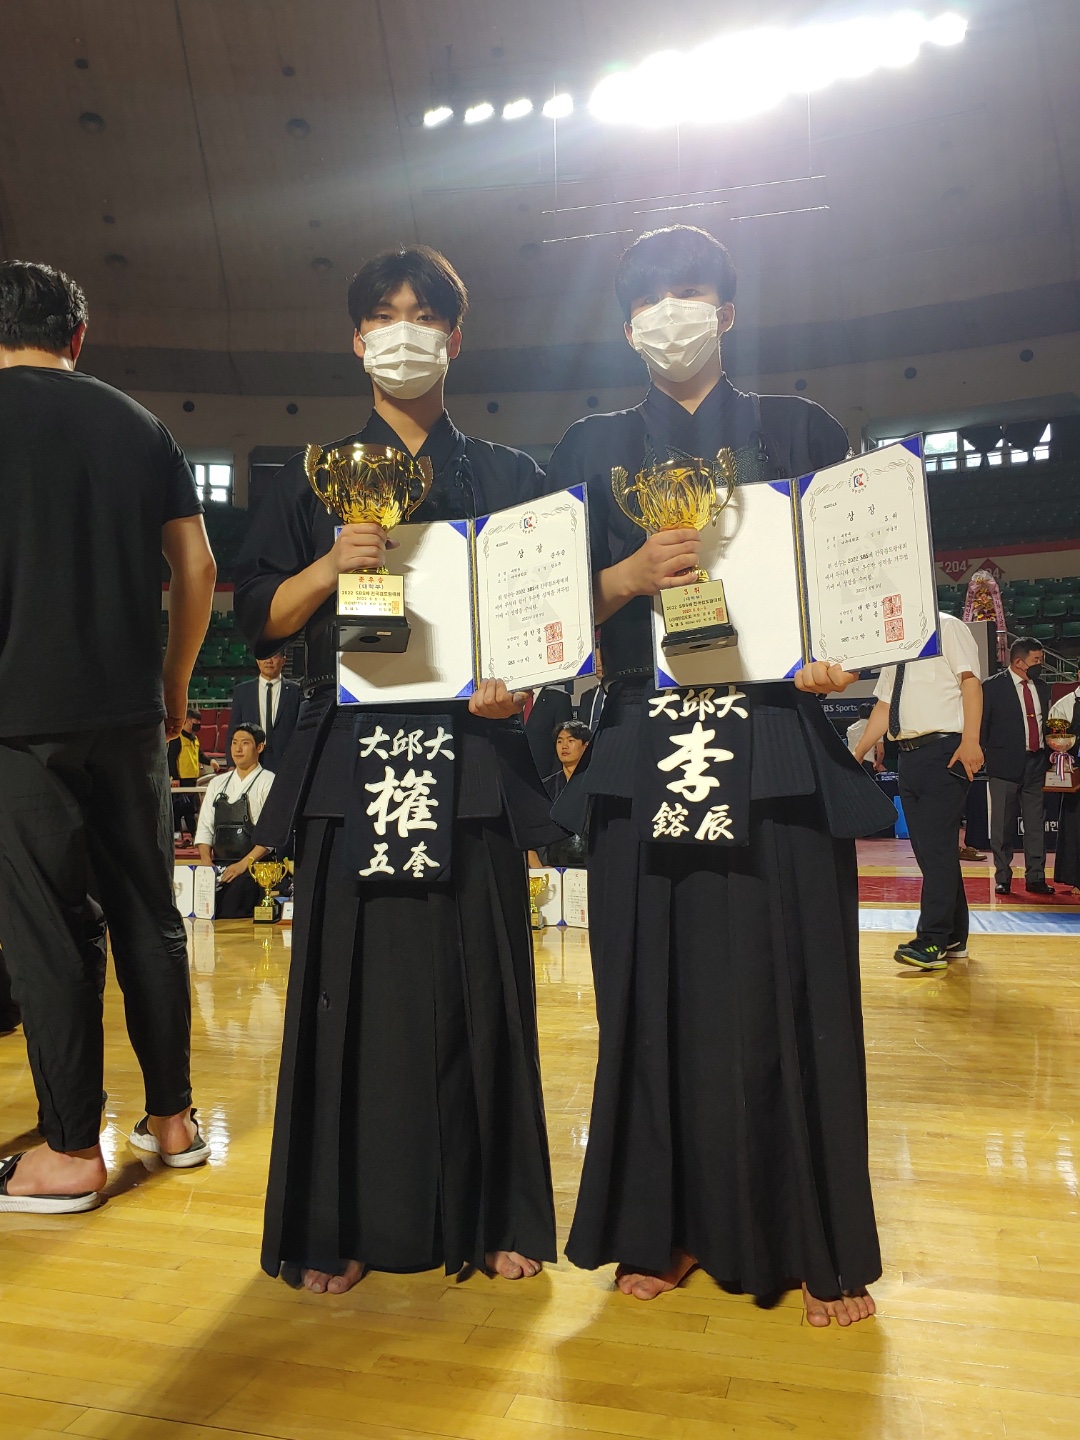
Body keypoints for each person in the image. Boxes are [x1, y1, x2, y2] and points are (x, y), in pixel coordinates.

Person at [541, 225, 894, 1326]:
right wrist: (625, 575)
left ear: (729, 313)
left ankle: (811, 1239)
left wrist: (842, 662)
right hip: (645, 743)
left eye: (691, 294)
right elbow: (544, 614)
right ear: (627, 324)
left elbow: (854, 580)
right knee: (648, 997)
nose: (671, 315)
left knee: (796, 988)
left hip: (776, 739)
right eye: (650, 300)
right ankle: (662, 1225)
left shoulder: (802, 430)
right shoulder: (590, 448)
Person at [233, 244, 559, 1294]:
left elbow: (547, 624)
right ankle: (342, 1221)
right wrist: (333, 561)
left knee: (482, 985)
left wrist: (517, 689)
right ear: (357, 339)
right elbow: (259, 620)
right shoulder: (309, 476)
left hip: (472, 756)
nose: (402, 330)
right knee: (351, 992)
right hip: (348, 762)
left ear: (455, 339)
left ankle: (496, 1216)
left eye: (423, 315)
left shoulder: (510, 477)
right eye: (383, 314)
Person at [0, 260, 215, 1213]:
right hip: (128, 716)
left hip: (17, 724)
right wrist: (172, 682)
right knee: (149, 916)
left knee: (50, 934)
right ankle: (172, 1122)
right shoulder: (139, 424)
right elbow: (197, 567)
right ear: (77, 339)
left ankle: (70, 1152)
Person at [854, 613, 984, 969]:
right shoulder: (895, 641)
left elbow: (971, 683)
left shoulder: (947, 625)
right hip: (909, 755)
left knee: (936, 850)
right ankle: (954, 936)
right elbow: (885, 705)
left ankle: (932, 940)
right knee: (931, 851)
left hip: (945, 749)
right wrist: (859, 751)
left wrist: (971, 740)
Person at [980, 637, 1055, 896]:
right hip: (1003, 766)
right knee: (1001, 826)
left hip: (1036, 763)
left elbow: (1046, 724)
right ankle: (1003, 877)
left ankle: (1036, 877)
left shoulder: (1042, 687)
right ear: (1019, 662)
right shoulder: (992, 687)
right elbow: (983, 726)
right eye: (1037, 660)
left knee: (1035, 824)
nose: (1040, 664)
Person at [194, 724, 276, 918]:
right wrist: (206, 863)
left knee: (232, 905)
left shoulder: (269, 781)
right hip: (218, 866)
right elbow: (205, 827)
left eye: (245, 743)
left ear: (259, 747)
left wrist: (242, 865)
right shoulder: (217, 783)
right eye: (234, 743)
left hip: (252, 868)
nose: (238, 749)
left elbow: (270, 836)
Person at [528, 721, 592, 869]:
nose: (564, 746)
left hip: (590, 866)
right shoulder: (545, 787)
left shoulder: (596, 786)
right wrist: (538, 868)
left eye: (571, 741)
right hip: (551, 866)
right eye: (560, 741)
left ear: (586, 746)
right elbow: (530, 833)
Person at [226, 652, 302, 772]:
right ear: (258, 661)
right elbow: (233, 729)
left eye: (274, 656)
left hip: (287, 763)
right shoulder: (243, 691)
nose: (269, 661)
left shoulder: (296, 692)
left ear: (283, 660)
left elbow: (300, 731)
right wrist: (231, 764)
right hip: (251, 761)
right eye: (265, 656)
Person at [1048, 682, 1080, 893]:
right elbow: (1058, 743)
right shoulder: (1064, 705)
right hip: (1077, 772)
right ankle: (1077, 878)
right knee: (1076, 825)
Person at [168, 707, 207, 840]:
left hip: (192, 779)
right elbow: (171, 759)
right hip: (180, 780)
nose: (198, 724)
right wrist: (174, 777)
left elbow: (200, 755)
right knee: (179, 808)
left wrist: (211, 761)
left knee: (190, 809)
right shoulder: (177, 738)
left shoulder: (195, 738)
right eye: (196, 721)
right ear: (188, 720)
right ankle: (179, 833)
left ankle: (194, 835)